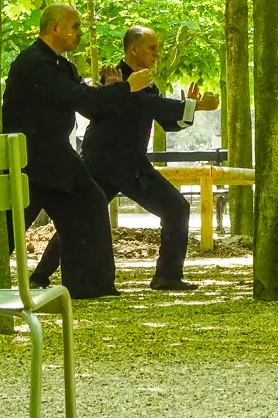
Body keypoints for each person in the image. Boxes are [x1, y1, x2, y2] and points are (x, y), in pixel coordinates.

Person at [30, 25, 220, 291]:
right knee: (80, 219)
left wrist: (189, 107)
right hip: (103, 163)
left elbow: (166, 119)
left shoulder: (143, 81)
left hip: (133, 165)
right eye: (153, 48)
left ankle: (167, 276)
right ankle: (40, 276)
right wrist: (196, 106)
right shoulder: (117, 79)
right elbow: (143, 104)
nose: (157, 54)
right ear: (135, 49)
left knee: (177, 208)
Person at [3, 4, 152, 299]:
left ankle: (90, 287)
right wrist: (126, 89)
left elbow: (87, 102)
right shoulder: (33, 62)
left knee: (90, 203)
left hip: (56, 157)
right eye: (74, 26)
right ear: (55, 27)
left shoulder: (62, 66)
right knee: (8, 226)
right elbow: (73, 95)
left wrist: (111, 89)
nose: (79, 33)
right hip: (28, 159)